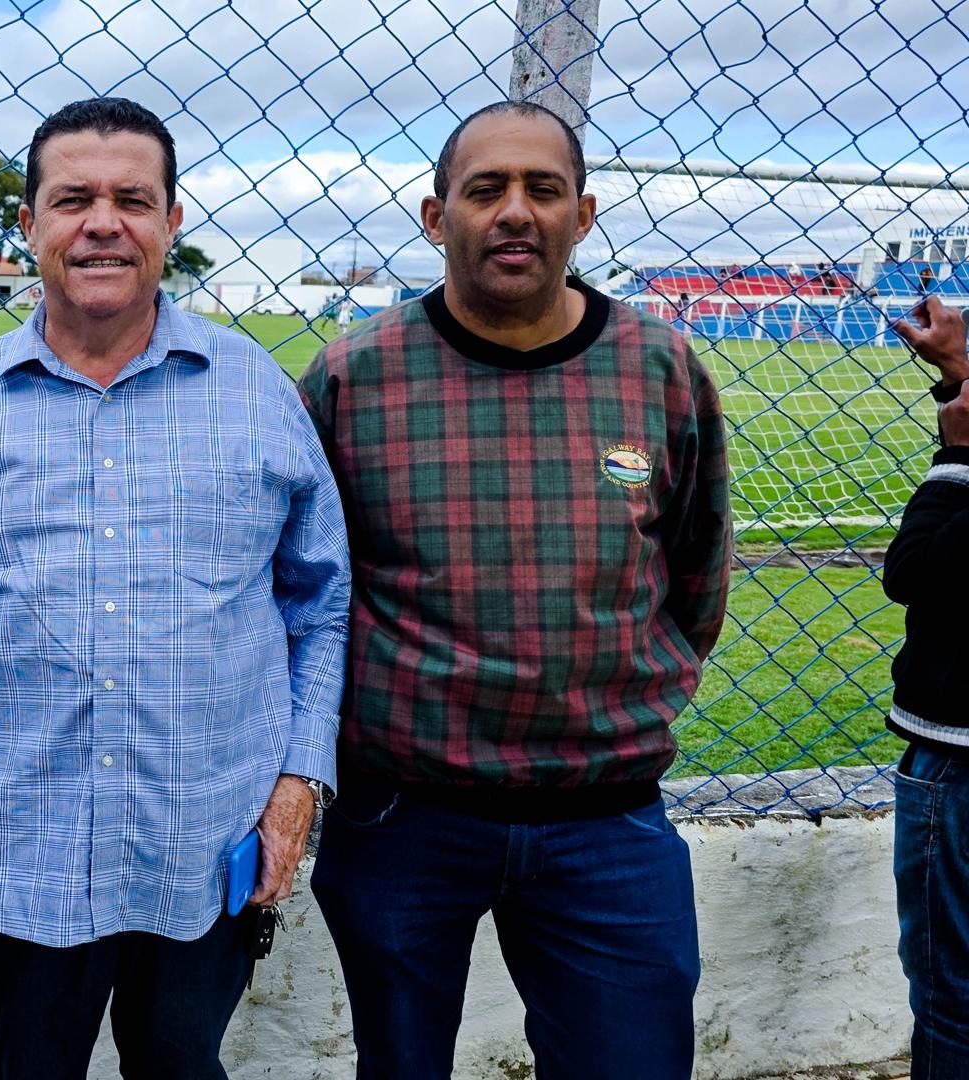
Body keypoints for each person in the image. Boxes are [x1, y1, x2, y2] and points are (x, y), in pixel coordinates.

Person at [0, 96, 351, 1080]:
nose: (102, 223)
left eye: (132, 200)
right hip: (23, 854)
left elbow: (322, 601)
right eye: (72, 199)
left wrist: (299, 783)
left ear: (171, 222)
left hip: (204, 838)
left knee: (182, 1065)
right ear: (29, 222)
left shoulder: (257, 393)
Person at [295, 100, 732, 1079]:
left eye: (543, 188)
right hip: (403, 818)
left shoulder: (659, 367)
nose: (516, 211)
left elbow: (696, 571)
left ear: (584, 214)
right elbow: (307, 590)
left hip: (607, 815)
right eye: (485, 188)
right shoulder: (354, 377)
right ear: (435, 214)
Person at [886, 294, 969, 1079]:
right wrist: (954, 373)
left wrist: (955, 454)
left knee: (954, 996)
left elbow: (916, 570)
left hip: (959, 755)